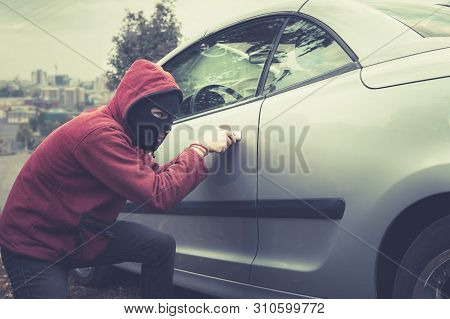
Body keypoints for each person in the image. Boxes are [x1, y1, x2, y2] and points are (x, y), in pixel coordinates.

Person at [0, 59, 237, 299]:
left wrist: (194, 151)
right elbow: (158, 195)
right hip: (36, 246)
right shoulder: (100, 134)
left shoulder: (126, 132)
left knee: (160, 246)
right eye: (158, 113)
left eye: (170, 119)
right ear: (132, 104)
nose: (165, 127)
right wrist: (198, 150)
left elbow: (155, 176)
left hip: (80, 235)